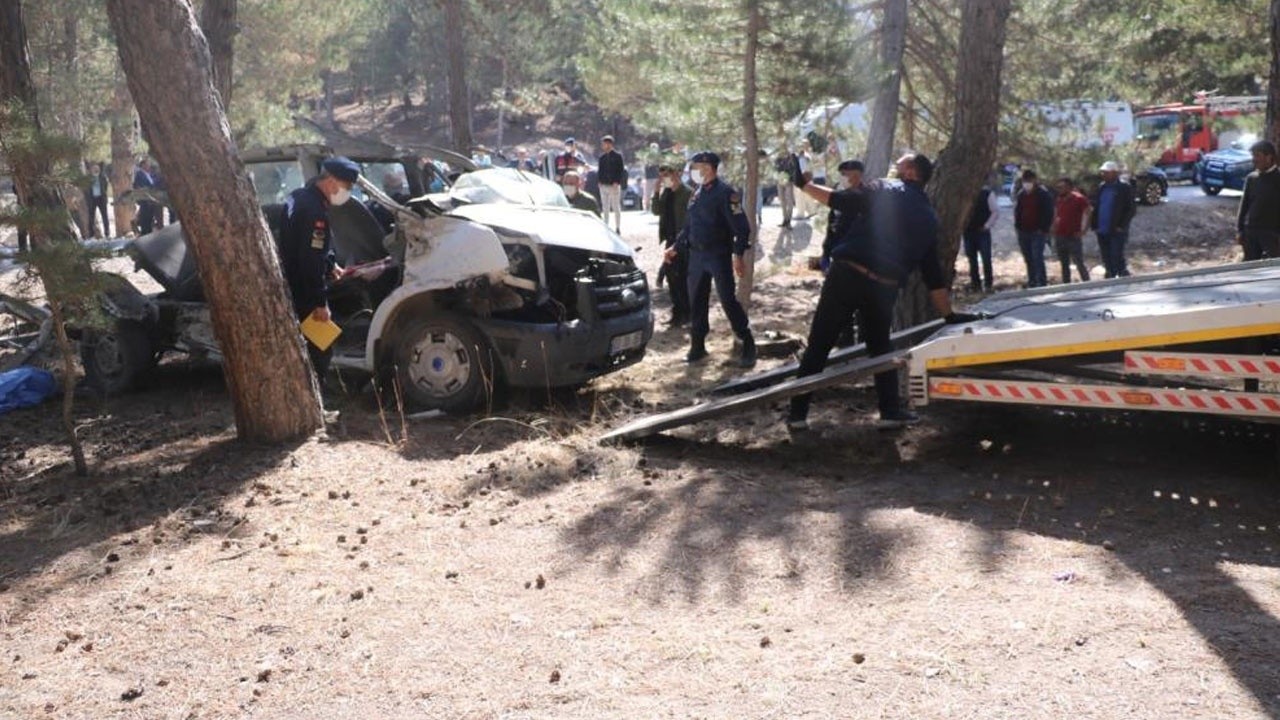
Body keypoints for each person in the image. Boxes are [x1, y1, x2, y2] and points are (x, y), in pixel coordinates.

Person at [786, 152, 973, 432]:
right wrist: (948, 315)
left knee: (820, 343)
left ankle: (797, 414)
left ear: (910, 171)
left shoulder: (885, 187)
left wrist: (803, 184)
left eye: (901, 161)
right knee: (880, 347)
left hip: (847, 275)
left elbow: (841, 201)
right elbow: (932, 275)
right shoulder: (929, 217)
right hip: (883, 287)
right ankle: (890, 410)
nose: (895, 162)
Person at [663, 151, 757, 367]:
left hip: (718, 255)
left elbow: (742, 228)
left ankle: (747, 342)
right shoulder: (697, 193)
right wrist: (675, 247)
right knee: (696, 300)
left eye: (696, 167)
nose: (693, 171)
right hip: (696, 256)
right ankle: (697, 346)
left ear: (708, 167)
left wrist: (738, 255)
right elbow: (689, 226)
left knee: (727, 300)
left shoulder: (726, 193)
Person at [277, 156, 360, 387]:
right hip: (305, 291)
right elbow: (310, 259)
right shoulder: (316, 213)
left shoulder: (299, 196)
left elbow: (305, 246)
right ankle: (314, 400)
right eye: (347, 187)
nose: (347, 192)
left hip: (291, 285)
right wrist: (319, 303)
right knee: (320, 350)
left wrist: (330, 264)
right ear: (332, 181)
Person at [652, 163, 692, 327]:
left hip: (683, 241)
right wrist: (656, 191)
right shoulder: (667, 193)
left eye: (668, 175)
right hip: (670, 239)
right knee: (671, 278)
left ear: (678, 175)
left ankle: (687, 313)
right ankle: (677, 312)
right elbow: (656, 211)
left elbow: (690, 219)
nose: (665, 178)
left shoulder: (687, 193)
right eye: (663, 176)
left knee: (682, 278)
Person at [1236, 140, 1280, 261]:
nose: (1254, 159)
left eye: (1257, 155)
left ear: (1269, 157)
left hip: (1272, 235)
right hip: (1250, 233)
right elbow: (1244, 206)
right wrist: (1240, 230)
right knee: (1249, 269)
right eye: (1253, 155)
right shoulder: (1252, 178)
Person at [1090, 161, 1136, 278]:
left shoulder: (1124, 187)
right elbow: (1097, 206)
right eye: (1102, 172)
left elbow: (1130, 209)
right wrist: (1094, 224)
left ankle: (1121, 274)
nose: (1103, 175)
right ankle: (1110, 273)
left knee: (1116, 253)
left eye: (1106, 173)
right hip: (1102, 227)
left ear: (1114, 173)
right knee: (1106, 254)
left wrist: (1121, 225)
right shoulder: (1102, 187)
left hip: (1116, 228)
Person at [820, 160, 866, 268]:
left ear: (857, 175)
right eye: (841, 174)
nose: (842, 178)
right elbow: (831, 224)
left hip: (851, 253)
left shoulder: (865, 195)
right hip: (834, 247)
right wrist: (826, 251)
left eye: (845, 174)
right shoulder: (839, 193)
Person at [1013, 169, 1054, 288]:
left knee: (1037, 257)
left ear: (1035, 180)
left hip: (1038, 232)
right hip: (1023, 231)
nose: (1027, 183)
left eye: (1029, 180)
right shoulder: (1021, 194)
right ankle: (1032, 281)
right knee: (1028, 257)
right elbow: (1018, 212)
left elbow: (1049, 213)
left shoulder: (1043, 194)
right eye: (1025, 181)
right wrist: (1018, 227)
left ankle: (1041, 282)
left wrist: (1044, 228)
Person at [1051, 177, 1091, 283]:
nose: (1059, 189)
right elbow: (1057, 215)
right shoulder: (1059, 199)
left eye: (1062, 187)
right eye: (1058, 187)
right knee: (1064, 264)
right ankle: (1066, 285)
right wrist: (1053, 228)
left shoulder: (1079, 199)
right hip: (1060, 236)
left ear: (1069, 187)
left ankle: (1088, 284)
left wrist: (1084, 230)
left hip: (1073, 236)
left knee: (1079, 262)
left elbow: (1088, 213)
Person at [962, 183, 999, 291]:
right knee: (971, 259)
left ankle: (988, 283)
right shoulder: (964, 194)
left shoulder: (986, 194)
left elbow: (995, 211)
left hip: (982, 232)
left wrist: (986, 226)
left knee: (986, 258)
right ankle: (975, 283)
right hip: (968, 232)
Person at [596, 135, 626, 233]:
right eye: (603, 144)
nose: (603, 146)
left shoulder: (618, 156)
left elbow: (621, 171)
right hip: (603, 185)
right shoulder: (602, 157)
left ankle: (618, 227)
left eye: (605, 143)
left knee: (616, 206)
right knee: (605, 207)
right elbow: (600, 170)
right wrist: (599, 181)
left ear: (610, 144)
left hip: (614, 185)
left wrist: (617, 181)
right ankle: (606, 225)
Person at [83, 162, 111, 238]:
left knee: (105, 216)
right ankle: (91, 234)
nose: (96, 170)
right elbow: (85, 190)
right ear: (91, 170)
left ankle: (107, 233)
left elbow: (105, 187)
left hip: (101, 199)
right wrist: (87, 199)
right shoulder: (88, 178)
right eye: (94, 169)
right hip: (92, 199)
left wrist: (104, 196)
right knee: (91, 217)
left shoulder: (103, 177)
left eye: (97, 168)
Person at [133, 158, 159, 235]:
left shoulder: (149, 174)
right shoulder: (139, 174)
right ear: (143, 165)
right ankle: (145, 232)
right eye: (147, 164)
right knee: (145, 217)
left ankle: (149, 231)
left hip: (151, 199)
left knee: (150, 217)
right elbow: (138, 186)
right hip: (145, 200)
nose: (149, 166)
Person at [641, 143, 661, 212]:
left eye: (655, 147)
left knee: (657, 193)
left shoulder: (659, 157)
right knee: (647, 194)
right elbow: (645, 165)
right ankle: (647, 207)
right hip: (649, 178)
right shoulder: (647, 156)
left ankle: (657, 207)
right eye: (652, 147)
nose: (654, 149)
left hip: (656, 177)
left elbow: (660, 166)